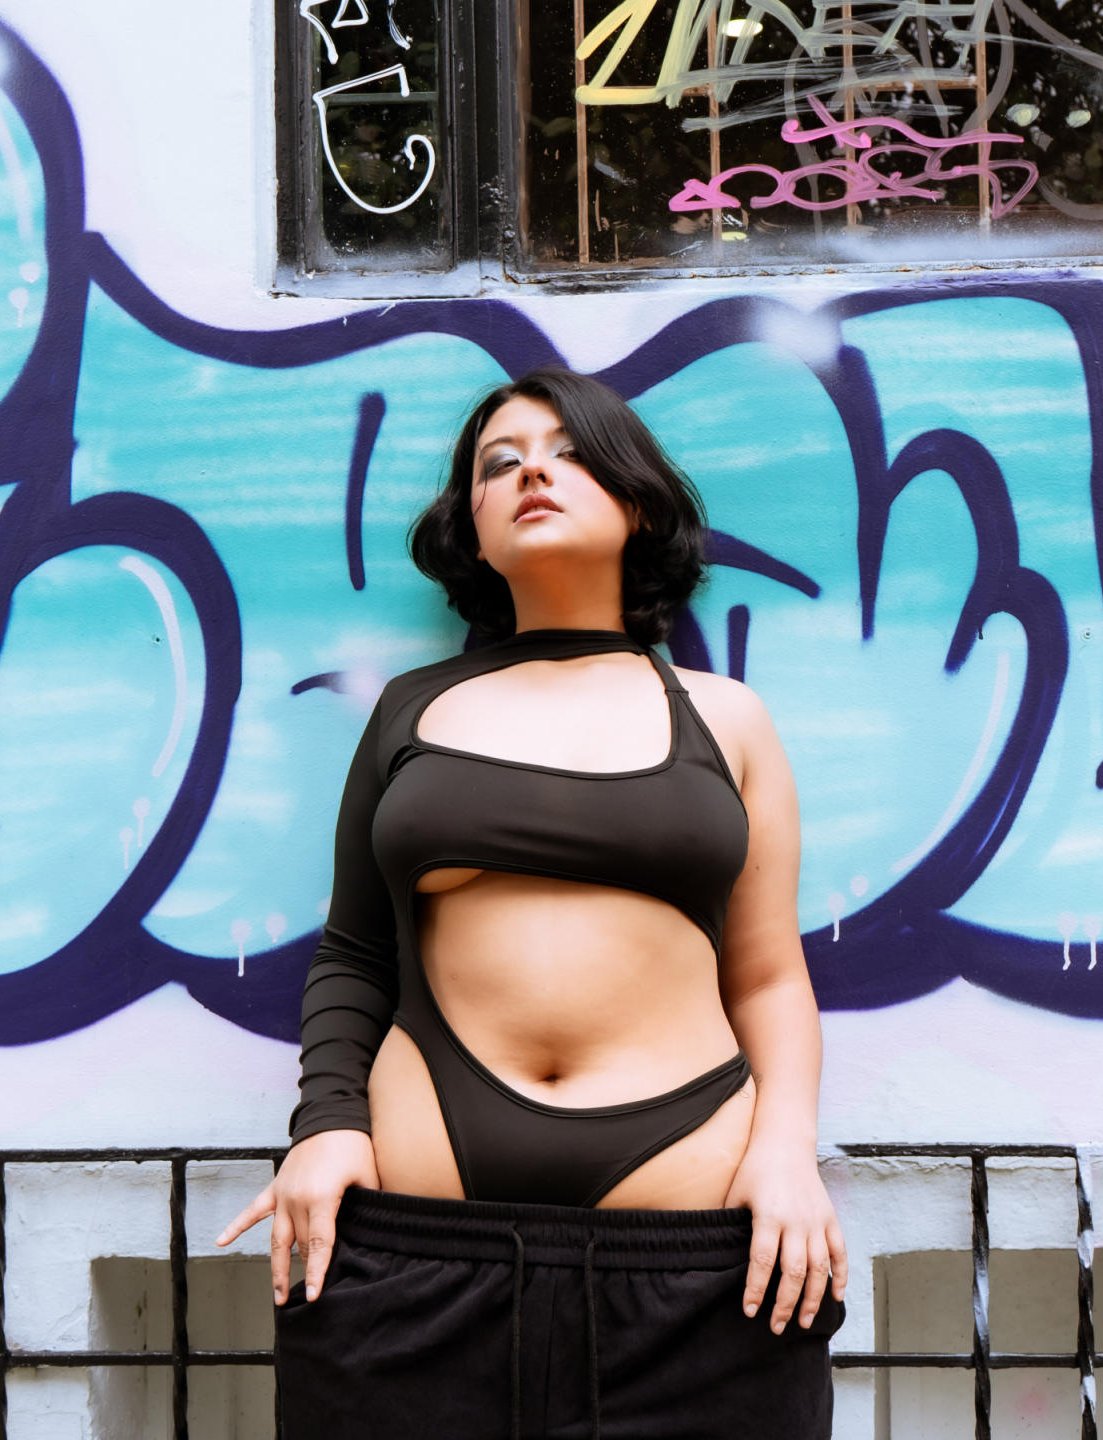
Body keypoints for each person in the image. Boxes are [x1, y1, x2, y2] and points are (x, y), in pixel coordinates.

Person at [217, 368, 846, 1438]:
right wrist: (325, 1128)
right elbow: (356, 954)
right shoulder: (410, 710)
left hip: (694, 1255)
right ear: (472, 526)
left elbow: (769, 975)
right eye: (498, 463)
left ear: (637, 502)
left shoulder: (727, 718)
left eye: (568, 452)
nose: (532, 473)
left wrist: (787, 1151)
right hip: (418, 1252)